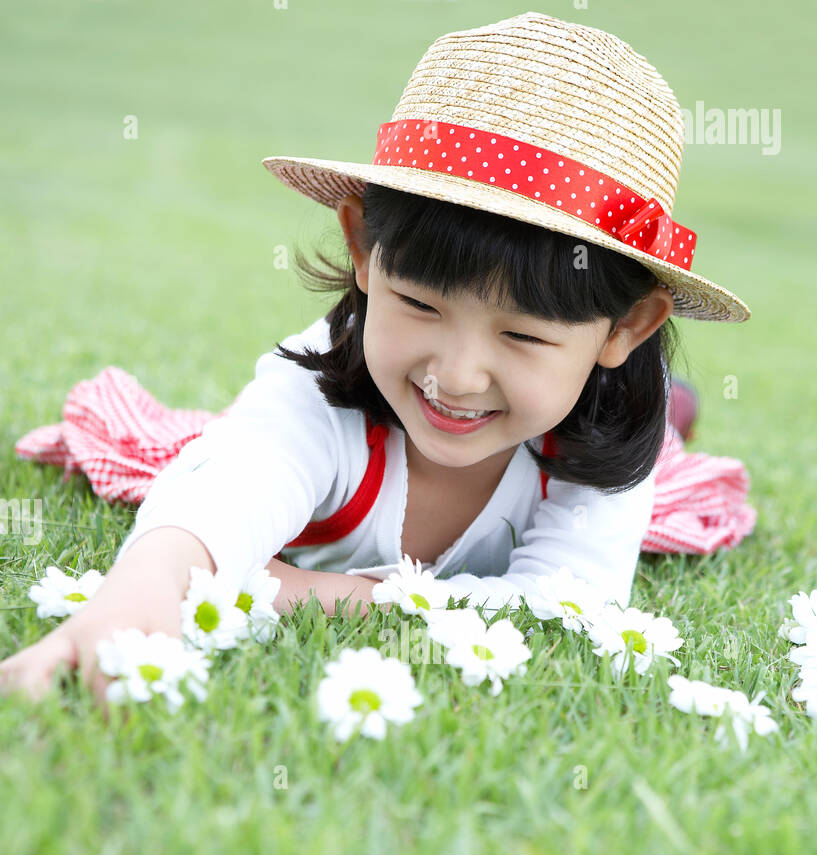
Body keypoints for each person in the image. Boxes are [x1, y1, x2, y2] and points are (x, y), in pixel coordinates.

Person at [0, 13, 752, 707]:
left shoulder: (606, 451)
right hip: (528, 396)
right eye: (420, 305)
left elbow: (565, 613)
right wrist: (145, 587)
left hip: (599, 409)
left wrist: (299, 590)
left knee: (663, 441)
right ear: (363, 249)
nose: (455, 376)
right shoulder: (310, 386)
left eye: (522, 337)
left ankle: (670, 405)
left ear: (626, 326)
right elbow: (223, 491)